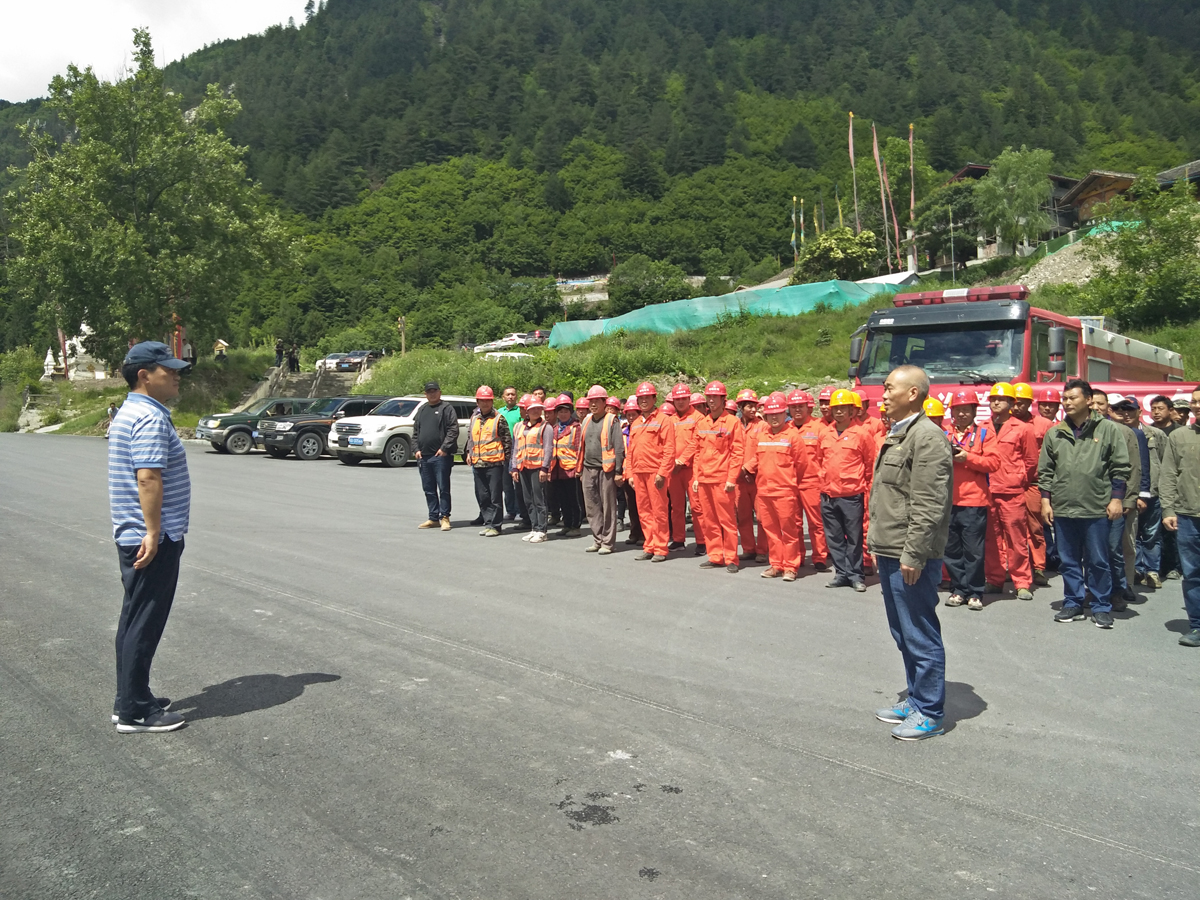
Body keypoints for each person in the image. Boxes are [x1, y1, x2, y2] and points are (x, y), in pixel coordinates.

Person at [108, 341, 193, 733]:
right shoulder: (150, 417)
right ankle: (136, 712)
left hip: (135, 534)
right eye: (168, 369)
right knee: (145, 621)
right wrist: (155, 532)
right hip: (150, 538)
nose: (176, 375)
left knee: (133, 617)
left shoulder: (132, 411)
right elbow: (148, 476)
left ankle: (128, 697)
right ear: (144, 375)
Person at [869, 365, 954, 741]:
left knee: (919, 631)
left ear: (914, 393)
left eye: (890, 389)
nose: (883, 395)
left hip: (910, 552)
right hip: (891, 546)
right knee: (902, 631)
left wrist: (914, 554)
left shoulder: (928, 438)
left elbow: (929, 503)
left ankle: (930, 712)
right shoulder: (901, 433)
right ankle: (916, 699)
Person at [1039, 379, 1131, 629]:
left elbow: (1120, 467)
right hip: (1064, 508)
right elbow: (1045, 471)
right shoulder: (1055, 432)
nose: (1067, 402)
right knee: (1068, 561)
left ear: (1089, 400)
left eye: (1073, 398)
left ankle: (1101, 606)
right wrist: (1046, 502)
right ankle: (1073, 602)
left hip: (1096, 507)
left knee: (1098, 560)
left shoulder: (1109, 430)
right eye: (1065, 398)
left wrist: (1116, 499)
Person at [942, 391, 999, 610]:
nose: (962, 413)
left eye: (967, 409)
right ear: (952, 412)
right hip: (948, 501)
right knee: (951, 549)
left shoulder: (985, 434)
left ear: (975, 411)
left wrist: (968, 458)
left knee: (974, 551)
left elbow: (994, 463)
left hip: (974, 502)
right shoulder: (944, 433)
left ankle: (975, 591)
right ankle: (958, 589)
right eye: (958, 409)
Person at [982, 383, 1038, 601]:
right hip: (988, 491)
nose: (996, 402)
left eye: (1002, 399)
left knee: (1016, 538)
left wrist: (1020, 479)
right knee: (992, 539)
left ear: (1012, 403)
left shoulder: (1023, 429)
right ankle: (995, 579)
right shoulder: (983, 426)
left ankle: (1022, 582)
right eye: (994, 398)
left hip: (1012, 491)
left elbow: (1031, 460)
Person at [744, 393, 810, 581]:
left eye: (778, 414)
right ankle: (776, 564)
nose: (774, 417)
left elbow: (802, 464)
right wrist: (747, 467)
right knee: (771, 531)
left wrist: (789, 484)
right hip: (764, 491)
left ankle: (790, 567)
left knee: (789, 532)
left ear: (784, 414)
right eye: (770, 414)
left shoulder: (792, 436)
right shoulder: (762, 435)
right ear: (765, 416)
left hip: (785, 492)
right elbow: (758, 457)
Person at [816, 389, 876, 592]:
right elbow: (819, 461)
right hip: (828, 495)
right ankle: (841, 574)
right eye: (836, 408)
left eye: (843, 408)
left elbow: (869, 465)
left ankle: (856, 575)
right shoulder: (825, 433)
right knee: (834, 537)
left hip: (852, 496)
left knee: (855, 538)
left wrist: (865, 493)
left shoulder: (862, 433)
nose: (839, 412)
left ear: (853, 410)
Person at [1158, 385, 1200, 647]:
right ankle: (1196, 626)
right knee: (1193, 573)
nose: (1196, 406)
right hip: (1187, 516)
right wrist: (1168, 509)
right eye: (1195, 401)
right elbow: (1169, 474)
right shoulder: (1180, 436)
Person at [693, 381, 745, 573]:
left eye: (715, 397)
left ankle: (731, 558)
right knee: (709, 520)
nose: (712, 400)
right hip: (705, 479)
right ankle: (715, 556)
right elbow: (698, 452)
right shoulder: (703, 423)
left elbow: (737, 452)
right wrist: (697, 477)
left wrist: (732, 478)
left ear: (724, 399)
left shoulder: (732, 422)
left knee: (727, 521)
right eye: (709, 397)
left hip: (723, 481)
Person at [1098, 390, 1142, 609]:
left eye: (1101, 404)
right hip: (1091, 503)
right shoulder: (1081, 432)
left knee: (1114, 548)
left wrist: (1128, 499)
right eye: (1093, 403)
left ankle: (1117, 591)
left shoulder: (1125, 432)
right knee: (1093, 551)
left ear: (1108, 408)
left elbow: (1134, 468)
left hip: (1116, 501)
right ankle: (1095, 591)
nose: (1096, 407)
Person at [626, 383, 676, 562]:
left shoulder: (664, 420)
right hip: (638, 474)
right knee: (644, 511)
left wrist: (662, 473)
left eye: (647, 398)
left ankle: (661, 548)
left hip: (655, 473)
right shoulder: (637, 423)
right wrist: (629, 474)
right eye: (641, 398)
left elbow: (669, 449)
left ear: (655, 399)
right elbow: (630, 451)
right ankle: (649, 545)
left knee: (659, 511)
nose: (644, 401)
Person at [1121, 397, 1166, 590]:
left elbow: (1166, 462)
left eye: (1131, 410)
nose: (1127, 414)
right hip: (1129, 495)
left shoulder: (1155, 434)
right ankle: (1137, 570)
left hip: (1153, 493)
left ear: (1139, 412)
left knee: (1151, 534)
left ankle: (1152, 572)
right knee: (1132, 536)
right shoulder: (1118, 433)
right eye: (1123, 410)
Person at [577, 385, 626, 555]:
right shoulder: (586, 420)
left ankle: (607, 542)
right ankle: (597, 539)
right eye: (591, 401)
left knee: (608, 506)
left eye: (597, 401)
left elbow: (619, 448)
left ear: (605, 402)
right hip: (588, 469)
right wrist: (580, 469)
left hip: (606, 470)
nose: (593, 404)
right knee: (592, 506)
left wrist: (618, 471)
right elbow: (581, 446)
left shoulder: (612, 420)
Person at [787, 389, 829, 571]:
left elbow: (826, 456)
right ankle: (798, 556)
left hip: (812, 482)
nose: (797, 410)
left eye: (801, 406)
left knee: (816, 523)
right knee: (794, 522)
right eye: (794, 407)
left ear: (808, 407)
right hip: (789, 483)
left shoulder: (819, 428)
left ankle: (820, 556)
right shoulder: (785, 428)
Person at [463, 386, 512, 537]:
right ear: (477, 401)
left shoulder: (499, 418)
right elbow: (470, 438)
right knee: (482, 495)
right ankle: (488, 522)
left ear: (492, 401)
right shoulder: (474, 418)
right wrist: (468, 453)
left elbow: (507, 441)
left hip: (494, 464)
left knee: (495, 496)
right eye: (482, 400)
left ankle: (496, 526)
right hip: (478, 463)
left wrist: (507, 462)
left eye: (487, 400)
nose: (484, 403)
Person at [413, 381, 459, 531]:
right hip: (424, 457)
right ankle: (433, 517)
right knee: (428, 488)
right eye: (429, 391)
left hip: (441, 456)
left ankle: (444, 517)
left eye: (434, 391)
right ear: (425, 394)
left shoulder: (446, 408)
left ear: (439, 392)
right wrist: (416, 449)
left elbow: (453, 429)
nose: (432, 393)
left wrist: (445, 448)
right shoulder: (422, 410)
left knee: (443, 487)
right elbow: (415, 433)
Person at [511, 396, 553, 543]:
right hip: (523, 467)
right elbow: (516, 448)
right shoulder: (519, 427)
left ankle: (542, 530)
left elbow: (548, 448)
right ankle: (534, 528)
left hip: (537, 468)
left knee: (539, 499)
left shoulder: (545, 427)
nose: (536, 411)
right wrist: (514, 467)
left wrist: (544, 468)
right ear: (527, 411)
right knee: (528, 499)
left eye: (538, 409)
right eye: (532, 409)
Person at [735, 389, 766, 562]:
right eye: (749, 406)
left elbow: (762, 451)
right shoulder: (735, 426)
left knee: (761, 517)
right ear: (740, 407)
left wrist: (747, 467)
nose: (753, 410)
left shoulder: (762, 426)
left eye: (755, 406)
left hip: (756, 478)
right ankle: (748, 548)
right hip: (739, 480)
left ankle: (762, 550)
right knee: (743, 516)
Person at [1035, 387, 1063, 572]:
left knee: (1059, 520)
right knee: (1041, 521)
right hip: (1039, 480)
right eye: (1044, 404)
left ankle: (1060, 557)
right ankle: (1046, 556)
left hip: (1059, 481)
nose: (1047, 408)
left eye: (1051, 405)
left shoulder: (1062, 427)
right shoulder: (1033, 425)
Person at [666, 385, 697, 551]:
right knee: (676, 507)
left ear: (689, 399)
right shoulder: (670, 420)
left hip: (691, 469)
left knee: (697, 506)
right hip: (674, 471)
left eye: (683, 399)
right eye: (677, 399)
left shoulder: (698, 418)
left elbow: (696, 442)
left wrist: (682, 460)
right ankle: (678, 539)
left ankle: (702, 541)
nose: (680, 402)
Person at [550, 394, 584, 537]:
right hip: (558, 470)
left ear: (571, 412)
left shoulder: (576, 428)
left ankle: (575, 526)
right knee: (562, 499)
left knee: (573, 499)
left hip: (571, 470)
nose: (563, 414)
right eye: (560, 411)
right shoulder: (554, 428)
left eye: (566, 411)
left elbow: (580, 449)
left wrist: (579, 468)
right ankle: (567, 523)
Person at [619, 396, 644, 546]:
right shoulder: (623, 432)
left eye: (633, 414)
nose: (630, 417)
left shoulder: (642, 431)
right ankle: (634, 533)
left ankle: (643, 535)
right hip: (627, 473)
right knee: (632, 506)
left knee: (643, 505)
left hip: (640, 472)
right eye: (628, 414)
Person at [498, 387, 524, 524]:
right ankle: (510, 511)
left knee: (517, 484)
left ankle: (520, 511)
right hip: (502, 453)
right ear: (503, 397)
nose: (510, 397)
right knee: (506, 485)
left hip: (517, 452)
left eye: (513, 394)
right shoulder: (499, 412)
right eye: (507, 394)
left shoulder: (520, 411)